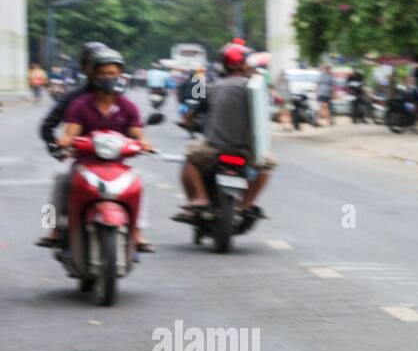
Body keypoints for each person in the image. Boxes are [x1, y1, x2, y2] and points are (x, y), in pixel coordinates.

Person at [45, 49, 155, 254]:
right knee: (59, 178)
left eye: (113, 73)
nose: (109, 78)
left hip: (117, 165)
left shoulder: (128, 107)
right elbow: (71, 131)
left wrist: (145, 143)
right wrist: (65, 140)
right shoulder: (80, 105)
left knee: (139, 183)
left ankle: (138, 231)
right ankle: (50, 228)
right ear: (93, 76)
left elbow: (137, 132)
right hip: (85, 162)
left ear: (121, 76)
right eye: (103, 73)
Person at [174, 42, 275, 222]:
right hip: (247, 152)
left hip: (215, 150)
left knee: (190, 158)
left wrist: (187, 121)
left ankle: (200, 198)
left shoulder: (213, 87)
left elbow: (193, 111)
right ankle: (246, 204)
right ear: (243, 65)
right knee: (267, 166)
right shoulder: (254, 88)